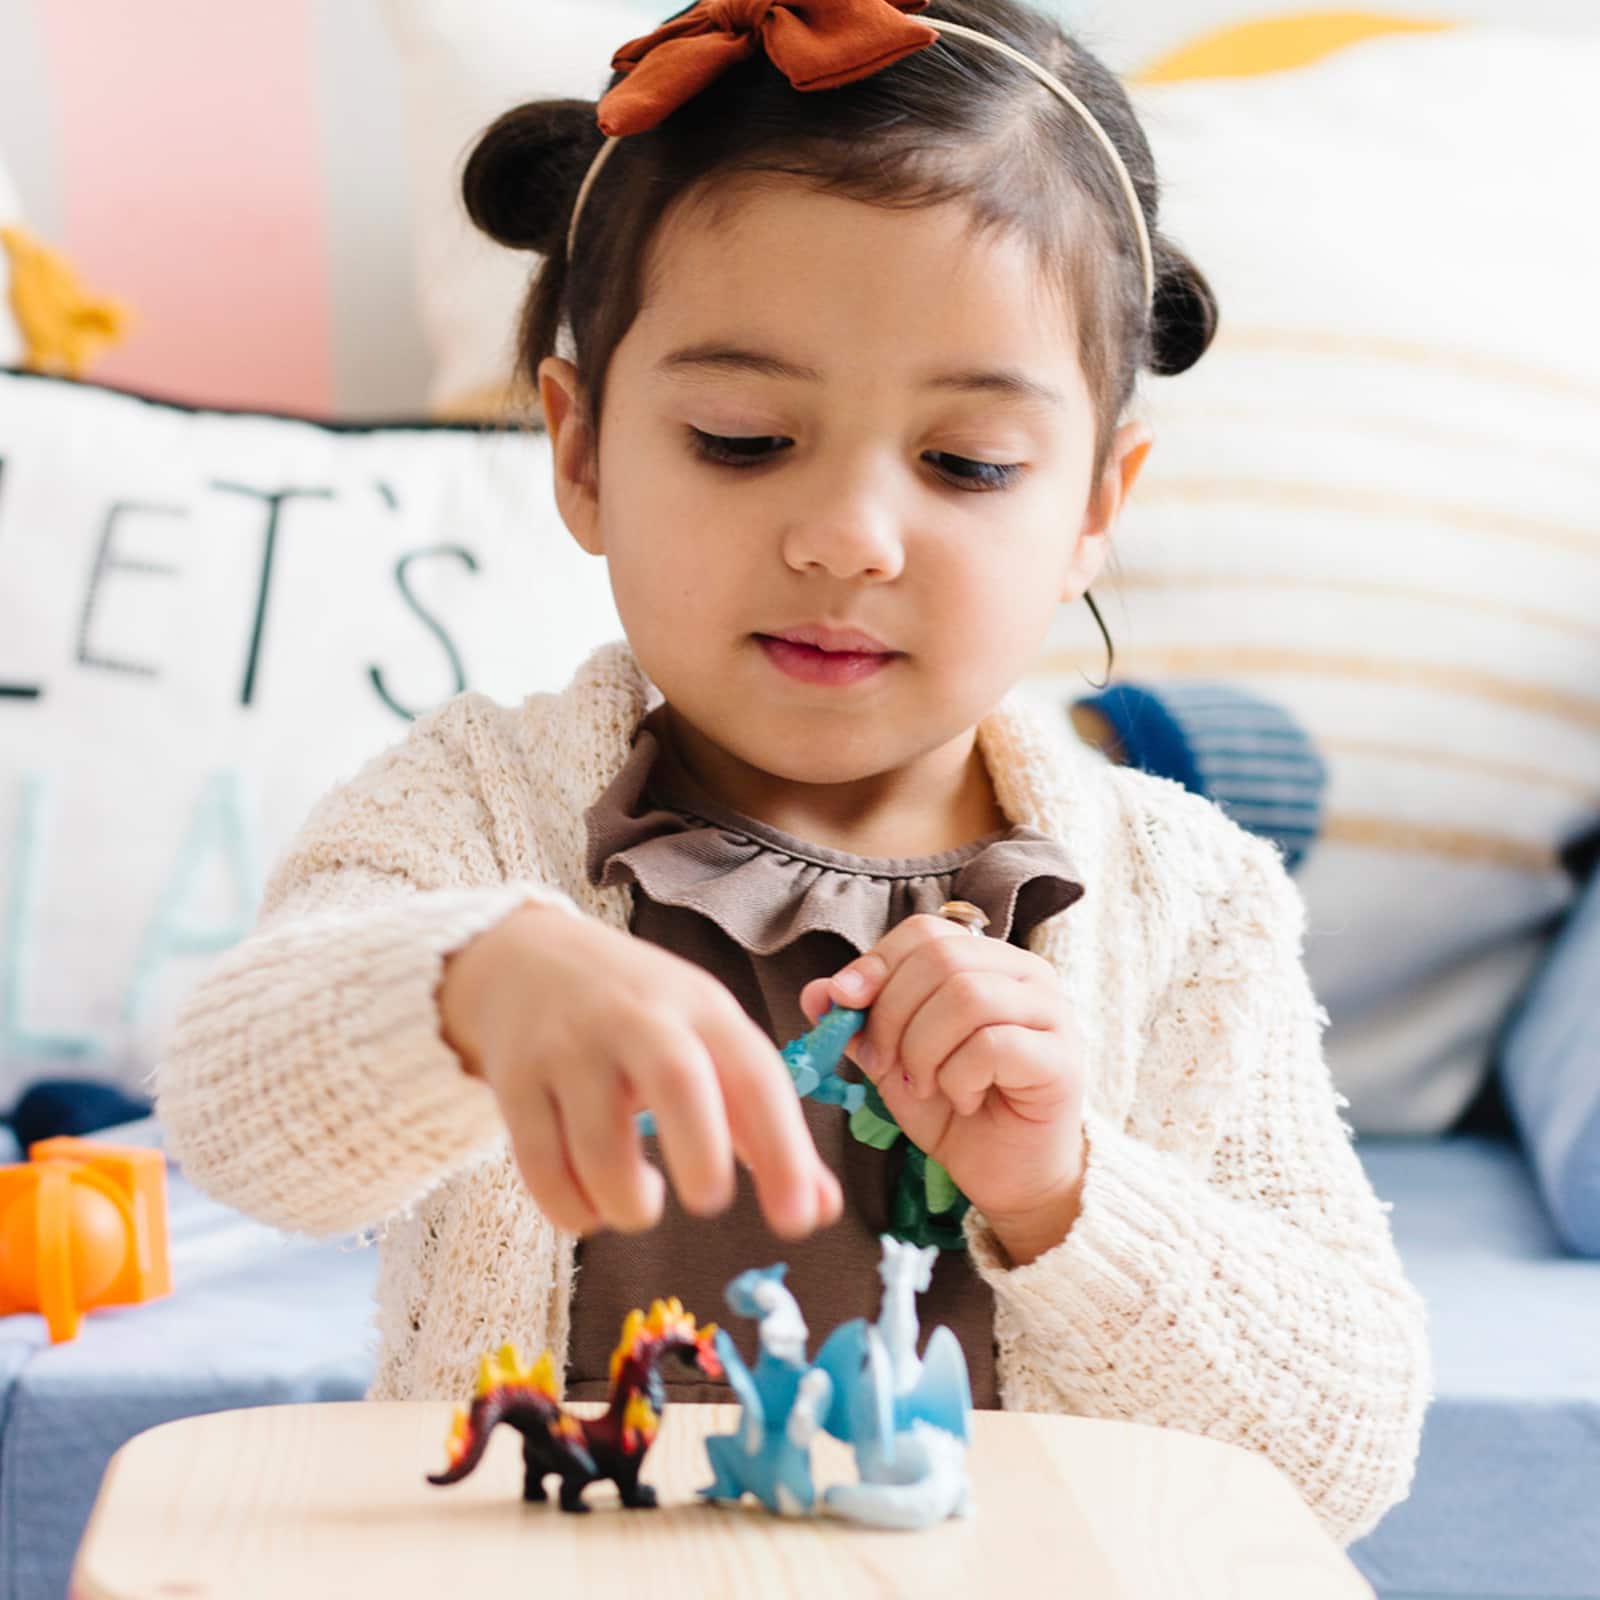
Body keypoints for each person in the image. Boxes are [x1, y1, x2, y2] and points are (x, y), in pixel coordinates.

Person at [157, 0, 1426, 1547]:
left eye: (965, 464)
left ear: (1097, 506)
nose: (847, 538)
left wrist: (1067, 1191)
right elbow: (235, 1122)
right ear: (581, 450)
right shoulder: (478, 811)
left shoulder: (1188, 901)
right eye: (744, 438)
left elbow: (1344, 1452)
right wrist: (467, 987)